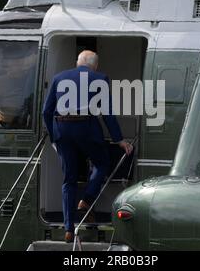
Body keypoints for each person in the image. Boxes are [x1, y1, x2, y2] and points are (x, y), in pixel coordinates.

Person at [43, 50, 133, 243]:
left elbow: (46, 111)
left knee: (69, 179)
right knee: (102, 163)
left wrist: (54, 137)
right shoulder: (100, 78)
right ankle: (87, 199)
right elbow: (107, 113)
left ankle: (68, 228)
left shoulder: (59, 78)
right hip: (87, 130)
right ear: (95, 65)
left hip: (62, 130)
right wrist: (119, 139)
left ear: (78, 62)